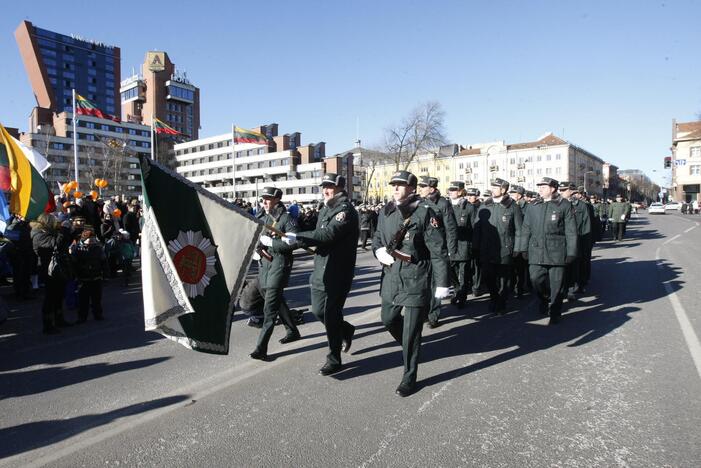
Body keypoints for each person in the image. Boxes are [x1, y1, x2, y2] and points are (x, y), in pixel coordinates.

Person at [372, 170, 451, 397]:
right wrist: (378, 251)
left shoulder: (425, 212)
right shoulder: (386, 211)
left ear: (412, 188)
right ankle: (410, 347)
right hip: (391, 275)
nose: (395, 188)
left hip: (416, 275)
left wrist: (442, 282)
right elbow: (378, 237)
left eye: (401, 185)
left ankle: (409, 376)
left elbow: (438, 250)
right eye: (393, 184)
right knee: (388, 318)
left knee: (412, 332)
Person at [281, 174, 358, 375]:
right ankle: (345, 329)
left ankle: (334, 359)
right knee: (317, 311)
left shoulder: (345, 210)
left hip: (337, 272)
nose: (326, 190)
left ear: (340, 188)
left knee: (330, 316)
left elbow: (327, 235)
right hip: (320, 269)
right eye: (324, 186)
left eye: (330, 186)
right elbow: (317, 232)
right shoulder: (325, 208)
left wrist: (298, 238)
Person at [249, 187, 301, 361]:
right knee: (275, 300)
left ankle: (261, 348)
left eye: (268, 199)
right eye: (263, 198)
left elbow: (292, 244)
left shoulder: (287, 219)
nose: (264, 202)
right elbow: (254, 238)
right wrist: (257, 249)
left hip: (279, 266)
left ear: (277, 200)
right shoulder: (261, 218)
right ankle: (292, 330)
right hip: (263, 266)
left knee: (269, 308)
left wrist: (271, 242)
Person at [517, 177, 577, 325]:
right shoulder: (533, 206)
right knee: (535, 279)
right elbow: (525, 228)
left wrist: (571, 252)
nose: (540, 189)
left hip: (557, 251)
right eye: (540, 187)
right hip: (536, 251)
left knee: (557, 285)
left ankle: (555, 311)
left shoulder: (564, 205)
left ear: (553, 188)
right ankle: (544, 298)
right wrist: (523, 247)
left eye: (544, 187)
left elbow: (571, 231)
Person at [473, 178, 523, 314]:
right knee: (488, 277)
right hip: (486, 249)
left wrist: (518, 248)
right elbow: (477, 228)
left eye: (496, 188)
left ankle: (502, 302)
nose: (493, 190)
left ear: (503, 190)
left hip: (505, 248)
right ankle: (494, 297)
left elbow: (519, 230)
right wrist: (476, 247)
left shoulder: (512, 206)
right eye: (492, 187)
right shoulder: (484, 206)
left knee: (504, 278)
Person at [418, 176, 457, 328]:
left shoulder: (442, 204)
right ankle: (425, 310)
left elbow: (451, 229)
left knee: (435, 283)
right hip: (422, 250)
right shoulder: (420, 202)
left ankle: (433, 315)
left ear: (432, 189)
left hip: (438, 249)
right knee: (423, 282)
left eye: (423, 186)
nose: (420, 188)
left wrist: (451, 251)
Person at [30, 213, 73, 334]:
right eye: (53, 221)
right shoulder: (38, 234)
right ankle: (47, 324)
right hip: (48, 269)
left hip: (57, 267)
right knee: (50, 297)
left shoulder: (50, 232)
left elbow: (63, 242)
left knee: (59, 294)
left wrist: (69, 231)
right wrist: (64, 229)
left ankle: (59, 319)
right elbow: (56, 244)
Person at [70, 229, 107, 322]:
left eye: (93, 238)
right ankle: (82, 317)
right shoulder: (78, 248)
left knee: (97, 299)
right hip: (83, 278)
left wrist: (106, 273)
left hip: (96, 276)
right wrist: (76, 274)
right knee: (83, 300)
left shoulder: (98, 248)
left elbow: (104, 261)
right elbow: (74, 263)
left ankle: (98, 314)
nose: (92, 241)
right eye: (90, 239)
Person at [447, 182, 473, 309]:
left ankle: (462, 296)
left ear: (461, 191)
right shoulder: (446, 206)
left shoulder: (468, 207)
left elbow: (474, 227)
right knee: (451, 271)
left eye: (454, 189)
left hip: (464, 245)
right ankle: (457, 290)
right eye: (449, 189)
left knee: (463, 273)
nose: (450, 192)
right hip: (450, 245)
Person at [508, 185, 528, 298]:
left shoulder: (527, 207)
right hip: (512, 241)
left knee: (520, 268)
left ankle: (519, 288)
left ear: (519, 195)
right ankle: (511, 287)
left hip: (522, 241)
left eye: (513, 194)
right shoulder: (510, 206)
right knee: (511, 267)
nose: (510, 195)